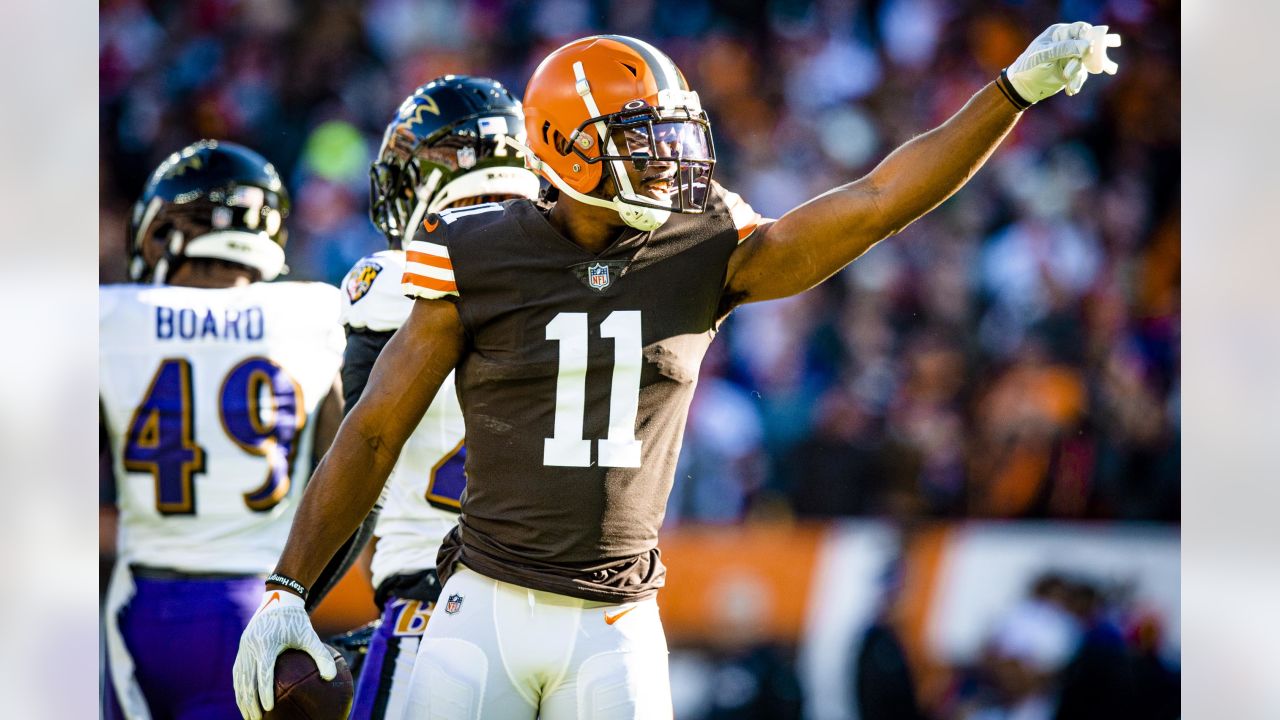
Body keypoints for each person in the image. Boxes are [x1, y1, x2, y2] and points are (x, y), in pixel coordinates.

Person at [235, 26, 1121, 720]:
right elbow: (377, 426)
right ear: (564, 144)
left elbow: (878, 203)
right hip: (481, 606)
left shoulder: (702, 245)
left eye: (670, 133)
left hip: (615, 620)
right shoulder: (475, 254)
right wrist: (286, 588)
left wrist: (1010, 94)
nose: (669, 157)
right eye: (640, 136)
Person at [100, 140, 345, 718]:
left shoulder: (108, 317)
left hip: (146, 610)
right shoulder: (316, 313)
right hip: (265, 603)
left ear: (164, 232)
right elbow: (349, 476)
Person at [325, 75, 542, 720]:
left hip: (434, 603)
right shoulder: (583, 279)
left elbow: (360, 466)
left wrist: (293, 596)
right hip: (565, 604)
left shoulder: (394, 281)